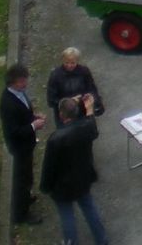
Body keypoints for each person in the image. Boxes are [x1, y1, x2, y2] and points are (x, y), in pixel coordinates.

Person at [41, 93, 108, 245]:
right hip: (82, 178)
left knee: (67, 216)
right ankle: (102, 240)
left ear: (60, 115)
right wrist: (88, 108)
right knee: (90, 209)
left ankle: (71, 242)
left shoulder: (55, 139)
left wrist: (45, 187)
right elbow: (92, 125)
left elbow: (49, 166)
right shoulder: (85, 129)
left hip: (62, 185)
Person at [0, 64, 46, 226]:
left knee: (27, 175)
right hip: (19, 147)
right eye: (21, 81)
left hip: (27, 144)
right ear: (12, 83)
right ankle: (21, 213)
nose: (25, 83)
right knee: (21, 179)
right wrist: (34, 126)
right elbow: (14, 131)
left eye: (25, 80)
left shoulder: (19, 93)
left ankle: (26, 197)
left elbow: (24, 113)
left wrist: (33, 116)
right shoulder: (7, 104)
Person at [46, 47, 103, 116]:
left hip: (83, 108)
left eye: (73, 63)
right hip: (65, 113)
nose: (69, 65)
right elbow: (51, 100)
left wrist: (94, 99)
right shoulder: (55, 75)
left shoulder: (84, 71)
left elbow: (92, 88)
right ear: (62, 60)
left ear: (77, 61)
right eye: (66, 62)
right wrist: (69, 102)